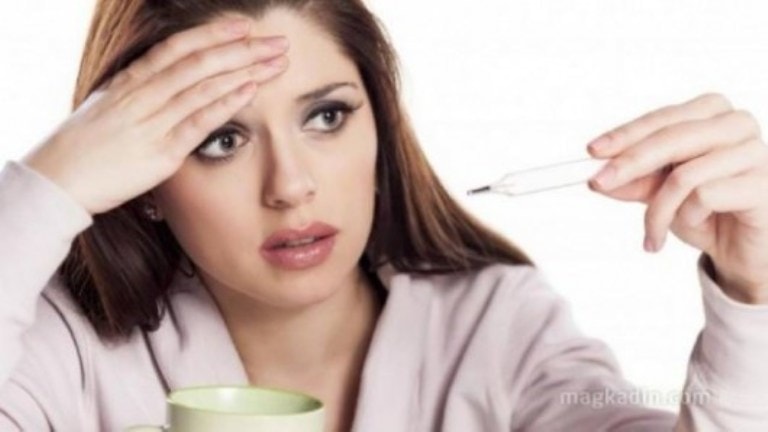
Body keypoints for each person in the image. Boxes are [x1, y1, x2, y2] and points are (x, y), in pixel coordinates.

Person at [1, 0, 767, 430]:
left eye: (327, 117)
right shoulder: (64, 349)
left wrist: (753, 291)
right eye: (222, 140)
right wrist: (49, 184)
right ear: (141, 179)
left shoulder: (493, 328)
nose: (292, 186)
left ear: (380, 126)